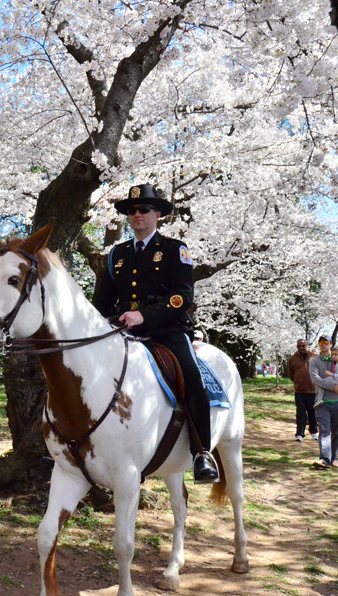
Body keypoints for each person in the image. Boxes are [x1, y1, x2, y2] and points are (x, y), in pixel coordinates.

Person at [93, 183, 219, 483]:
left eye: (144, 210)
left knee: (190, 377)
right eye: (132, 211)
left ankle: (202, 453)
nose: (137, 215)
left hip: (167, 331)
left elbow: (181, 297)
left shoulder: (176, 250)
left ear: (157, 214)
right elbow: (101, 301)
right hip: (122, 331)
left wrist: (144, 315)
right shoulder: (117, 254)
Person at [308, 338, 338, 468]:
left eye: (326, 343)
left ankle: (334, 458)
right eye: (321, 343)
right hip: (322, 402)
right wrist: (333, 387)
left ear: (331, 344)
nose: (323, 345)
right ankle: (324, 459)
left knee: (337, 431)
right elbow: (315, 379)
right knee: (324, 430)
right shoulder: (315, 361)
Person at [287, 339, 317, 442]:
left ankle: (313, 432)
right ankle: (299, 433)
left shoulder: (314, 357)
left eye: (303, 346)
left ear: (307, 346)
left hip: (312, 390)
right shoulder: (292, 359)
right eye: (299, 346)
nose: (301, 348)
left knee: (312, 412)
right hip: (299, 391)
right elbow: (291, 374)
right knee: (300, 413)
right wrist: (297, 382)